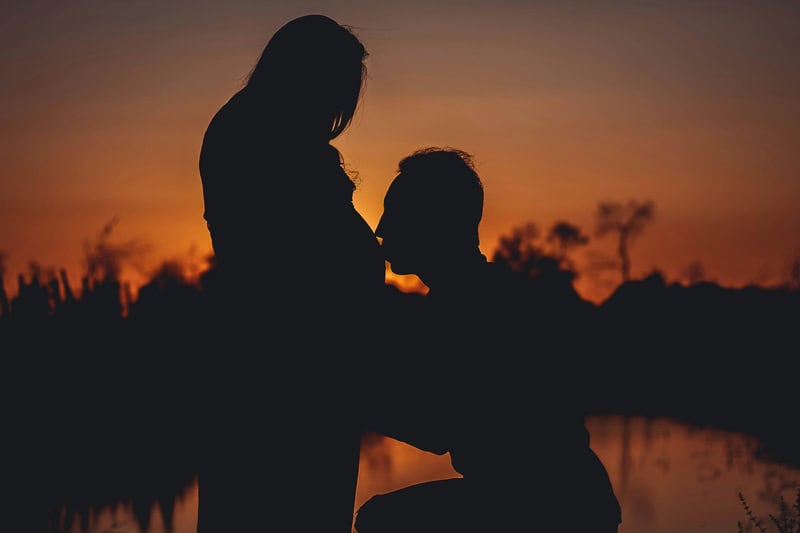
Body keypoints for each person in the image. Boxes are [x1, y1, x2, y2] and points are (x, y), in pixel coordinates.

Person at [356, 147, 622, 532]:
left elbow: (434, 427)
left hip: (548, 504)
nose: (381, 228)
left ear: (434, 222)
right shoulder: (471, 293)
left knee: (382, 521)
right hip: (562, 498)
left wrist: (346, 396)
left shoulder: (470, 302)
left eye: (395, 212)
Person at [197, 14, 385, 533]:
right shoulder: (258, 134)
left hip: (306, 373)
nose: (337, 109)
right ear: (306, 74)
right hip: (283, 377)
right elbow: (286, 263)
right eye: (337, 89)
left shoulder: (268, 129)